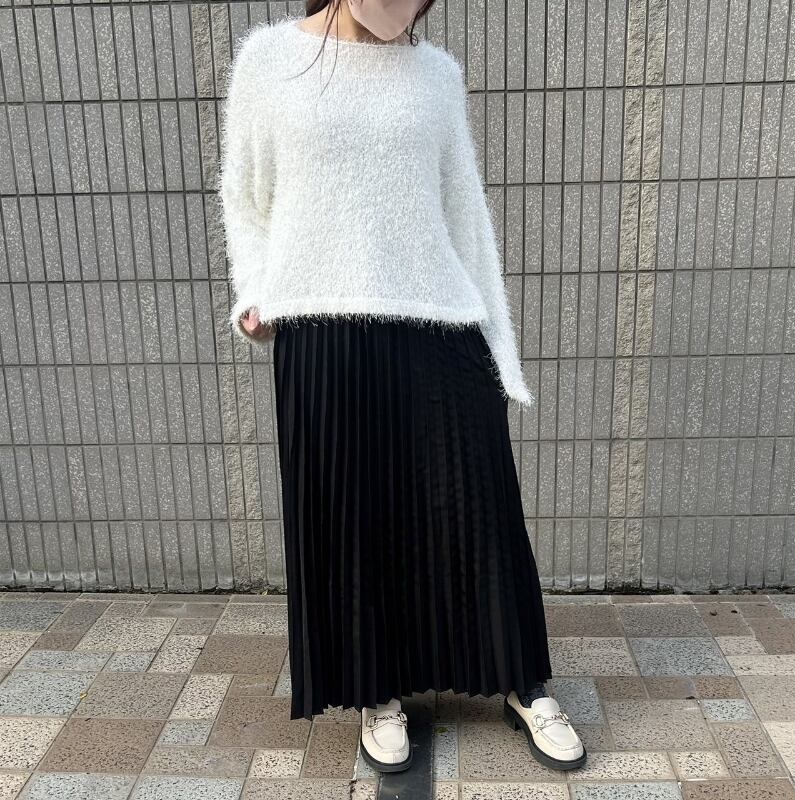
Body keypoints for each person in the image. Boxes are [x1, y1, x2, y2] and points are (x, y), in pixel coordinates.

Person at [218, 0, 587, 774]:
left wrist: (496, 339)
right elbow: (245, 196)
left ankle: (521, 679)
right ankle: (376, 690)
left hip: (436, 314)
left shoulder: (435, 75)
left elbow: (463, 209)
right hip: (320, 321)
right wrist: (253, 289)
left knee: (479, 507)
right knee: (351, 516)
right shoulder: (268, 60)